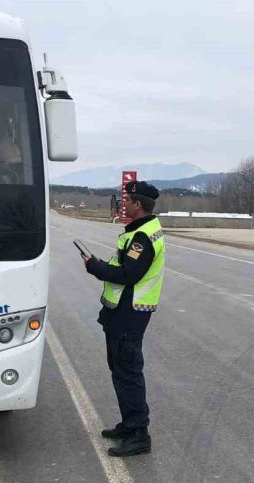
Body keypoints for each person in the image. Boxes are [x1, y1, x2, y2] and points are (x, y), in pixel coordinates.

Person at [82, 181, 166, 457]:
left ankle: (139, 433)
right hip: (121, 312)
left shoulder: (143, 237)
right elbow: (122, 268)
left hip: (130, 314)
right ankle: (130, 425)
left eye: (127, 200)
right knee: (120, 370)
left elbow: (128, 275)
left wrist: (95, 267)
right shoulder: (138, 233)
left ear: (138, 205)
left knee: (128, 372)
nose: (123, 203)